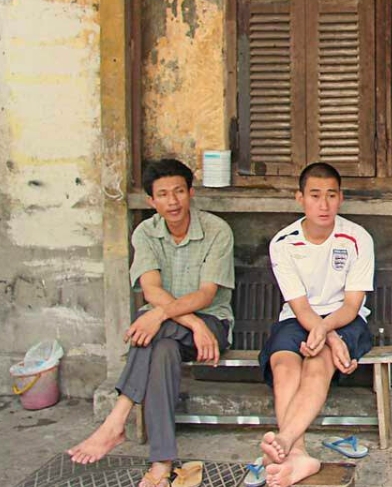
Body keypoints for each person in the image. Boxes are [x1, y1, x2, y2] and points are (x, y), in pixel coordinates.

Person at [68, 158, 235, 487]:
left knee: (151, 325)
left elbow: (206, 295)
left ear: (190, 193)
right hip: (182, 331)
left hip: (213, 325)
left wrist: (163, 315)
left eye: (179, 192)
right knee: (162, 351)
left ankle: (116, 420)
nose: (172, 201)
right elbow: (151, 290)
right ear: (151, 200)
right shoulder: (145, 233)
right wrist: (190, 323)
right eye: (163, 194)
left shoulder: (217, 230)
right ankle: (161, 463)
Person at [257, 162, 375, 486]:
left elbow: (352, 305)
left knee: (318, 363)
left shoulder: (357, 238)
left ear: (341, 198)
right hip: (299, 318)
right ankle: (298, 454)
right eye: (315, 195)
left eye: (331, 195)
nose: (323, 205)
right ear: (300, 198)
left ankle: (285, 442)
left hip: (345, 319)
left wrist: (328, 332)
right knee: (284, 366)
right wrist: (326, 335)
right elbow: (299, 306)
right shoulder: (283, 242)